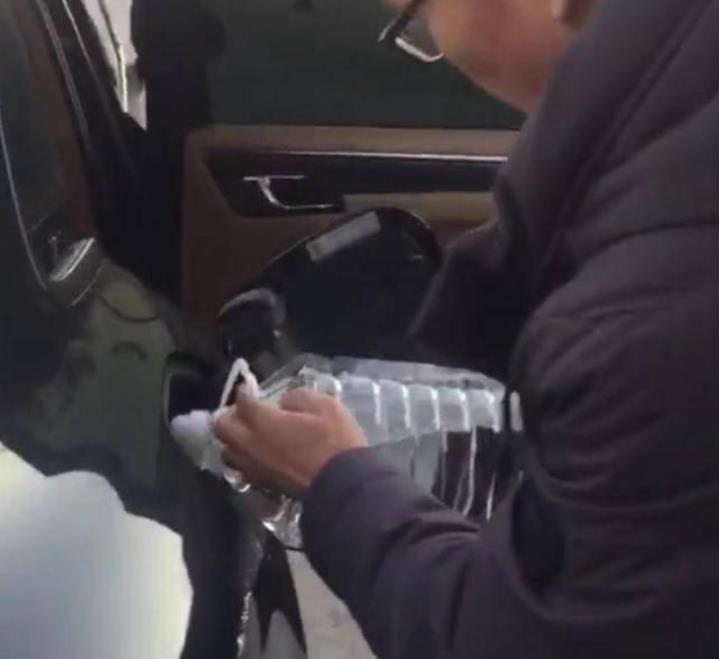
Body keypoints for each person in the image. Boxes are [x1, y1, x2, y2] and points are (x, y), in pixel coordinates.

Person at [216, 0, 718, 657]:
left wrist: (337, 480)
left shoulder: (640, 325)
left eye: (419, 18)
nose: (441, 51)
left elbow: (520, 642)